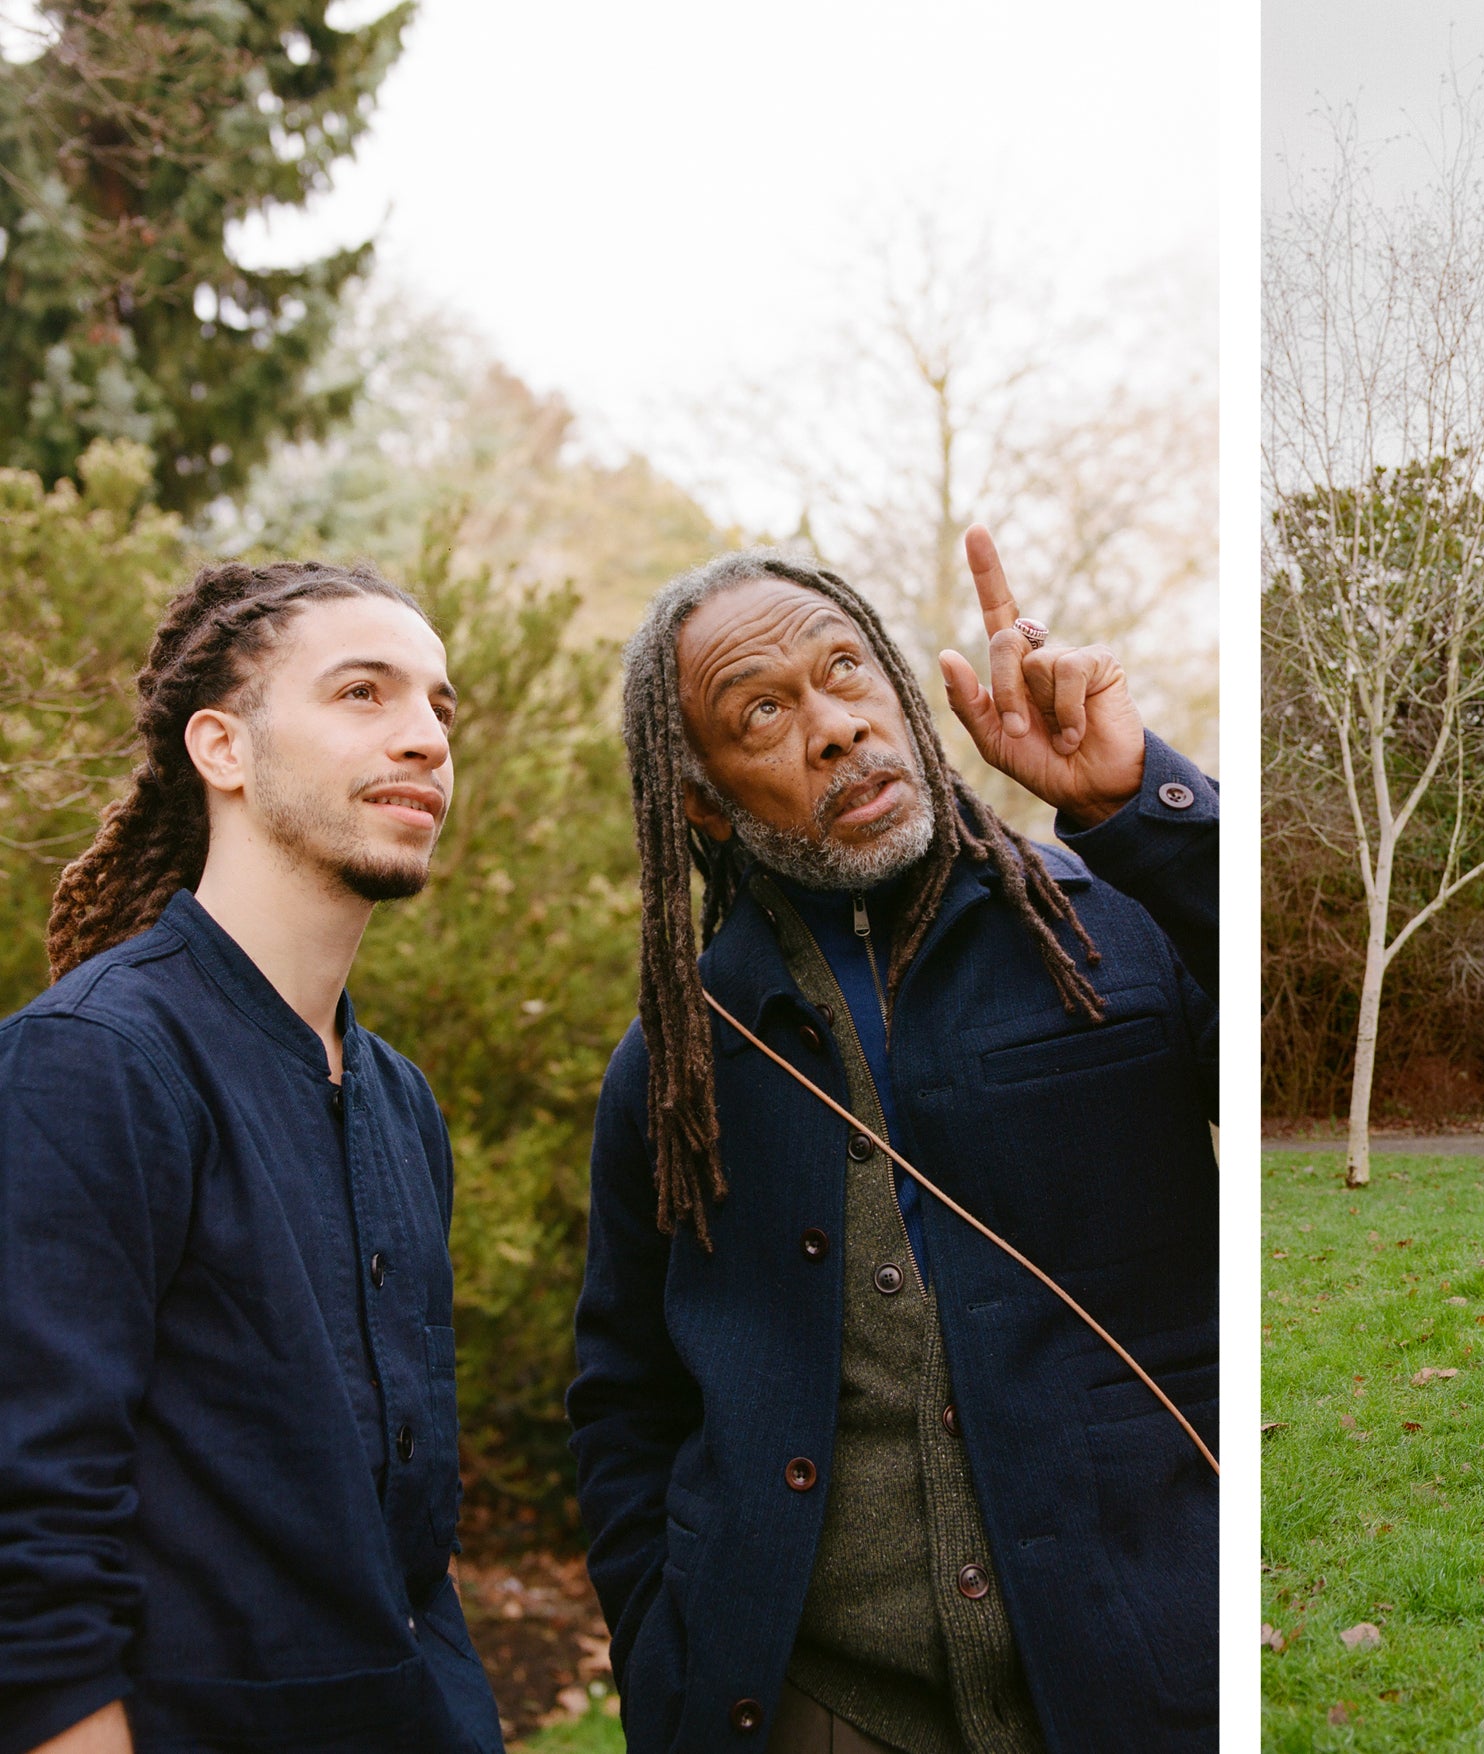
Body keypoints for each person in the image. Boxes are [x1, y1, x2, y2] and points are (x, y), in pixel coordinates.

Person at [568, 529, 1216, 1754]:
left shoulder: (1123, 930)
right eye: (759, 712)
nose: (832, 726)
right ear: (701, 799)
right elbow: (625, 1401)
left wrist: (1138, 806)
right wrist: (672, 1657)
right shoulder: (676, 1066)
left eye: (845, 670)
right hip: (816, 1706)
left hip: (1144, 1682)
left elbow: (1291, 1046)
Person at [0, 565, 502, 1754]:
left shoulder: (396, 1100)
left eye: (439, 705)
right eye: (363, 692)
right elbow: (29, 1536)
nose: (425, 737)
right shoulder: (92, 1063)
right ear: (222, 747)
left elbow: (405, 1532)